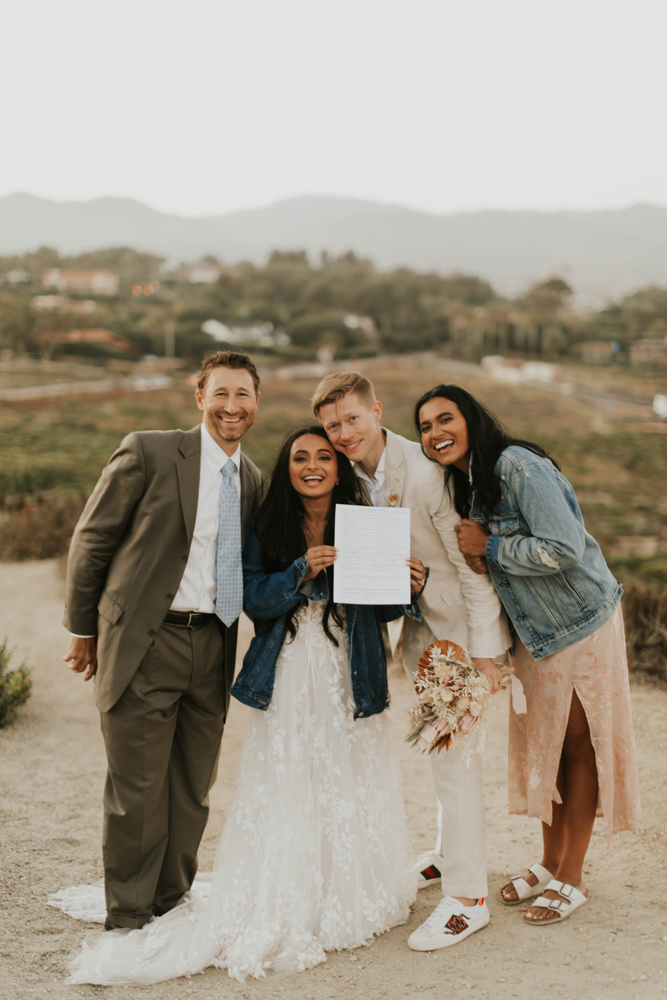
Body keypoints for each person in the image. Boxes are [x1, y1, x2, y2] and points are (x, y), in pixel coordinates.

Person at [52, 426, 423, 984]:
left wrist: (408, 584)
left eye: (325, 456)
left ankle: (343, 886)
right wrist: (303, 570)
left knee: (348, 774)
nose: (314, 465)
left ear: (340, 467)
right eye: (301, 457)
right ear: (287, 467)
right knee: (287, 774)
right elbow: (252, 598)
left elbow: (385, 608)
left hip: (353, 670)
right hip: (290, 668)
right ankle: (149, 906)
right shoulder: (269, 519)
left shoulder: (365, 518)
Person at [415, 384, 642, 925]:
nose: (434, 433)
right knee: (549, 746)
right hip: (534, 635)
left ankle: (573, 875)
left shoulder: (517, 465)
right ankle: (548, 861)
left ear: (471, 420)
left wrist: (490, 547)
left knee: (579, 745)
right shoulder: (464, 486)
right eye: (424, 427)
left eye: (445, 419)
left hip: (581, 622)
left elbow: (564, 548)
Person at [61, 350, 263, 932]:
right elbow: (93, 540)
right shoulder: (148, 450)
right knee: (138, 789)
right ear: (199, 397)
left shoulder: (251, 478)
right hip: (148, 641)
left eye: (242, 394)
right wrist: (83, 629)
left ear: (256, 402)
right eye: (220, 393)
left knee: (192, 785)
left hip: (215, 645)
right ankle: (128, 914)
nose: (231, 406)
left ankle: (172, 901)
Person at [312, 372, 511, 951]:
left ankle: (468, 899)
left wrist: (486, 654)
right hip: (419, 638)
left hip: (458, 639)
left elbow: (473, 568)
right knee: (441, 754)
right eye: (333, 426)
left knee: (455, 764)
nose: (344, 433)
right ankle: (448, 857)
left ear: (376, 410)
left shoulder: (425, 474)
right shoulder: (347, 478)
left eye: (352, 419)